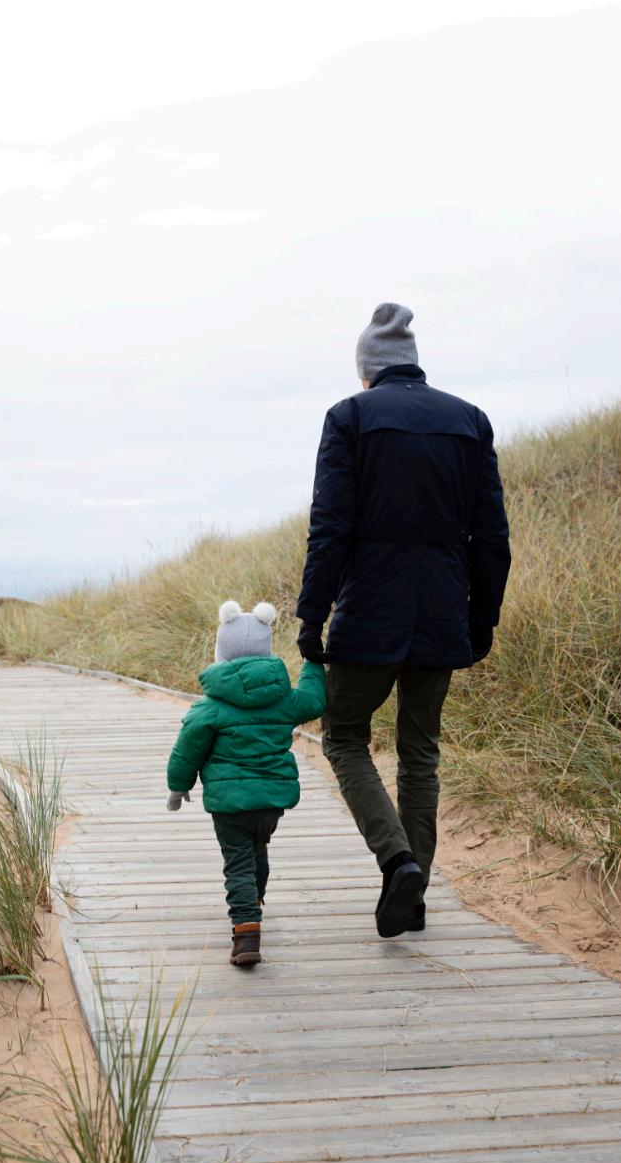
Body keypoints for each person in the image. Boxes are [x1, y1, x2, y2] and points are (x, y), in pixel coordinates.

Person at [296, 303, 511, 940]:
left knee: (344, 738)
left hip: (370, 612)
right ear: (413, 362)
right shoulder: (470, 421)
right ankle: (413, 901)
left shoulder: (350, 417)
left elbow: (330, 528)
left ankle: (398, 864)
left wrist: (312, 615)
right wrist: (482, 619)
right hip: (443, 612)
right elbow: (493, 537)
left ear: (368, 369)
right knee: (420, 752)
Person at [165, 600, 327, 966]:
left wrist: (178, 785)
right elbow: (315, 700)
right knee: (258, 848)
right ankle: (253, 898)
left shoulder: (210, 706)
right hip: (271, 800)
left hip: (229, 802)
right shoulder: (284, 699)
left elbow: (188, 747)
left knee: (238, 861)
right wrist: (312, 662)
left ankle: (246, 931)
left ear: (221, 654)